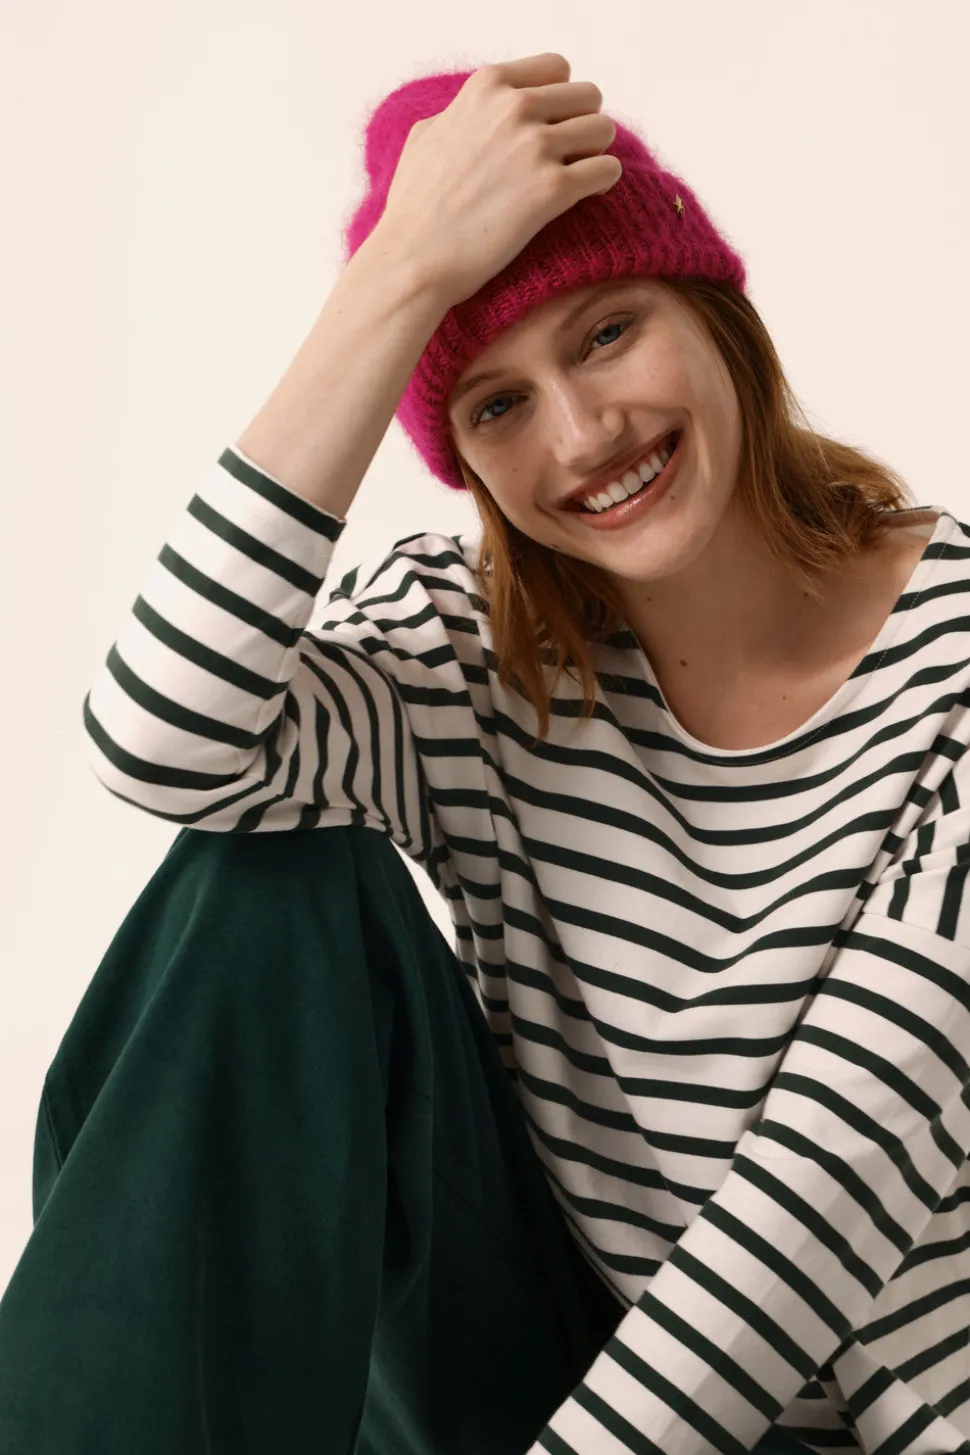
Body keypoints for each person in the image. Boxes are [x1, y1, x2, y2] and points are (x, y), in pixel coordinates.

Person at [1, 50, 967, 1455]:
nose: (584, 435)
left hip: (827, 1420)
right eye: (495, 404)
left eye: (606, 332)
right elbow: (166, 741)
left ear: (712, 312)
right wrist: (394, 281)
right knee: (262, 878)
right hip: (557, 1367)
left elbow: (810, 1213)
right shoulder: (458, 646)